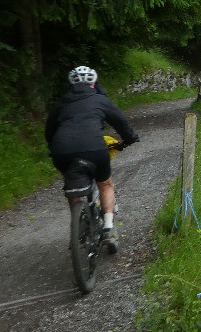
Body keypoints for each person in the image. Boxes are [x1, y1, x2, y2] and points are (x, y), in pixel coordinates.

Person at [45, 66, 139, 252]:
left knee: (73, 185)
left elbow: (49, 131)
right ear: (93, 83)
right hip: (94, 149)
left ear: (72, 84)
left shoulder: (61, 103)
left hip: (62, 150)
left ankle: (78, 225)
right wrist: (129, 139)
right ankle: (109, 227)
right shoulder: (99, 99)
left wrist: (53, 148)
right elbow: (120, 122)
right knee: (105, 184)